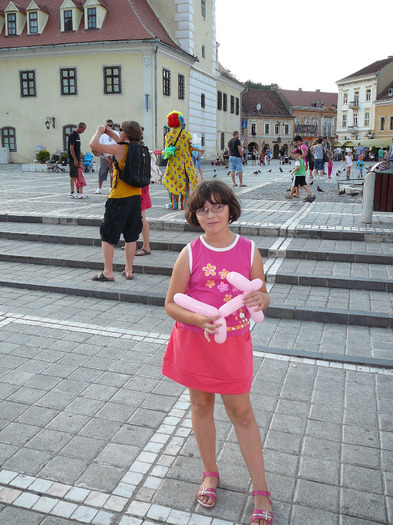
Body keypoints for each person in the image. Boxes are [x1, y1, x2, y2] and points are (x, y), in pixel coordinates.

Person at [162, 180, 272, 525]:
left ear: (230, 209)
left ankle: (261, 489)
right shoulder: (190, 252)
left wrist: (263, 298)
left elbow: (261, 293)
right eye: (203, 209)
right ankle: (210, 472)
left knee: (242, 413)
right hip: (197, 341)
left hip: (234, 344)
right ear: (195, 214)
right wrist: (199, 318)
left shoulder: (249, 249)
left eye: (217, 207)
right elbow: (170, 303)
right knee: (201, 405)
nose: (210, 214)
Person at [89, 121, 143, 281]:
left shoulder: (119, 149)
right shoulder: (139, 149)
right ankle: (129, 270)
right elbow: (120, 138)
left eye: (121, 131)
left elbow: (94, 145)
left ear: (125, 133)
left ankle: (108, 272)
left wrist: (99, 131)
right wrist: (109, 131)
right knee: (131, 236)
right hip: (135, 198)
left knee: (108, 235)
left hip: (118, 199)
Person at [162, 111, 199, 210]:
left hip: (174, 163)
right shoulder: (186, 133)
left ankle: (174, 204)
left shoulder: (169, 135)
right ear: (181, 121)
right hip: (186, 163)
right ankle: (185, 204)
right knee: (185, 182)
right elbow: (190, 147)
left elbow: (167, 149)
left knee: (173, 182)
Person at [95, 119, 120, 194]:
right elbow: (99, 145)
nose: (109, 127)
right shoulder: (103, 135)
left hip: (114, 154)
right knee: (102, 171)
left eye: (111, 125)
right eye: (108, 126)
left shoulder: (116, 133)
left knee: (113, 171)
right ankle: (99, 187)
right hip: (104, 154)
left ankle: (111, 187)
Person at [68, 122, 86, 198]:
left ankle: (79, 192)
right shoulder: (73, 135)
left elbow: (78, 149)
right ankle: (72, 192)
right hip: (73, 159)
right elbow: (71, 148)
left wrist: (80, 159)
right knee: (73, 175)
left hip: (77, 158)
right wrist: (75, 160)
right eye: (83, 129)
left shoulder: (78, 135)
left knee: (78, 175)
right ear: (79, 127)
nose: (83, 131)